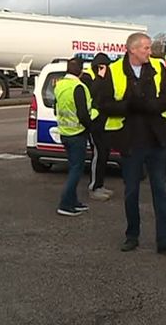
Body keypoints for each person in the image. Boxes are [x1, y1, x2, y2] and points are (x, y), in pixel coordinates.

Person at [93, 32, 166, 254]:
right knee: (131, 192)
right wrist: (129, 106)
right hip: (130, 141)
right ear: (132, 49)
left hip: (156, 139)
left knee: (160, 191)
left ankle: (164, 240)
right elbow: (102, 103)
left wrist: (152, 106)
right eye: (145, 48)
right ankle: (132, 236)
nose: (149, 51)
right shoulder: (114, 70)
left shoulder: (157, 68)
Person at [54, 58, 93, 217]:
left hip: (64, 132)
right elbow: (83, 114)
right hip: (77, 133)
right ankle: (65, 204)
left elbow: (55, 108)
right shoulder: (79, 87)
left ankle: (73, 201)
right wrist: (91, 127)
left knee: (73, 168)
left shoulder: (60, 85)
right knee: (76, 170)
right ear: (81, 71)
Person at [80, 53, 114, 202]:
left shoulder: (106, 79)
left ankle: (100, 185)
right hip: (94, 124)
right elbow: (92, 94)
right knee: (98, 154)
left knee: (104, 154)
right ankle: (94, 187)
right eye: (104, 67)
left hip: (103, 123)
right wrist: (100, 77)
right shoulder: (88, 78)